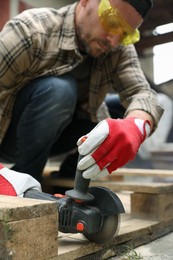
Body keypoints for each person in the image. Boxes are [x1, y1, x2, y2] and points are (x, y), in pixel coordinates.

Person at [0, 0, 164, 196]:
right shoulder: (30, 31)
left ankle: (69, 182)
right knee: (59, 89)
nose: (114, 40)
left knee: (120, 114)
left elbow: (142, 94)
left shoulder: (117, 50)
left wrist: (136, 127)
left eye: (126, 34)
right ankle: (25, 183)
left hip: (56, 138)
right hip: (9, 135)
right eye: (112, 21)